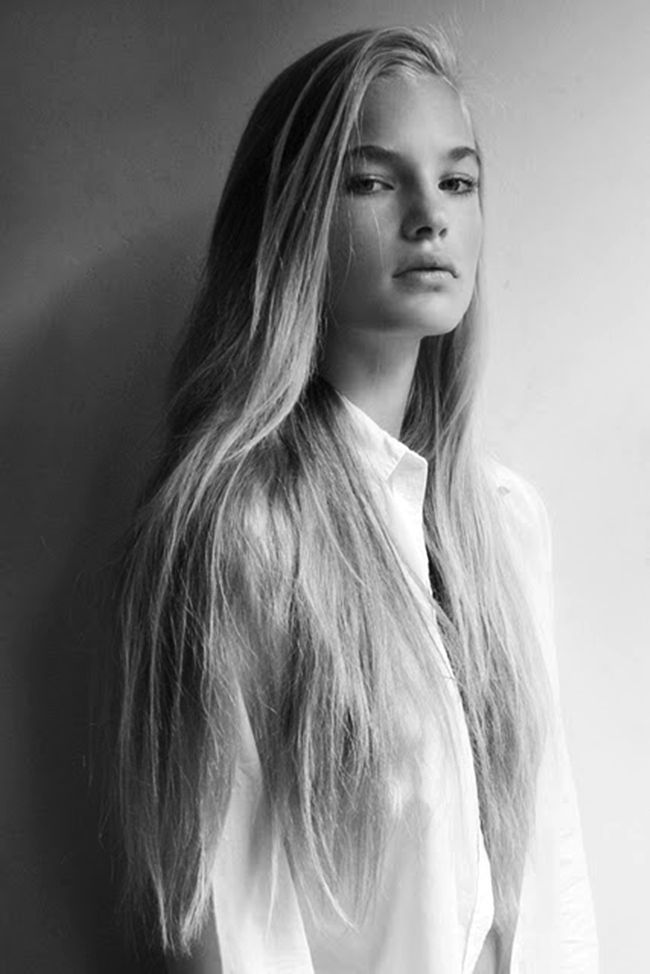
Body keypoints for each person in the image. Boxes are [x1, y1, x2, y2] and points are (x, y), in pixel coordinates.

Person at [111, 25, 599, 973]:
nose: (430, 217)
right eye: (374, 181)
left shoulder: (507, 524)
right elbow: (235, 931)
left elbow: (553, 871)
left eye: (458, 181)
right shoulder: (240, 536)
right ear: (293, 218)